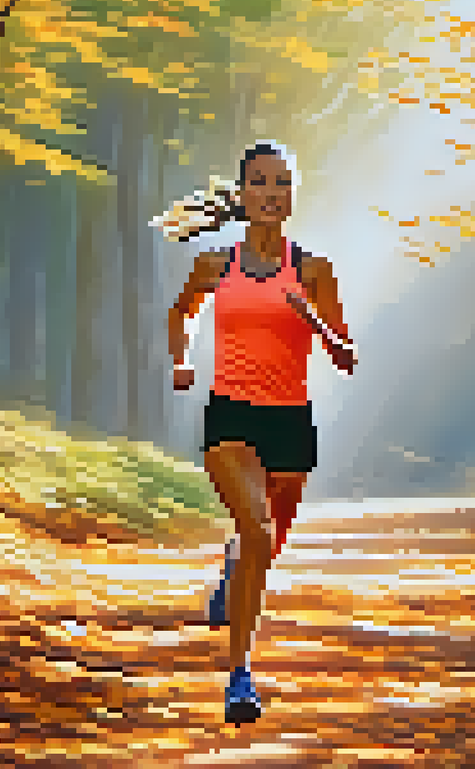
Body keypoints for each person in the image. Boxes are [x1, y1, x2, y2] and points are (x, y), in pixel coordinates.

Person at [164, 140, 356, 724]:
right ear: (243, 194)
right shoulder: (215, 266)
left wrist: (314, 320)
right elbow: (181, 314)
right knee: (257, 526)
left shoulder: (316, 270)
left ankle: (234, 564)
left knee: (262, 546)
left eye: (282, 184)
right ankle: (239, 676)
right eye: (261, 183)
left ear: (293, 197)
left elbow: (346, 356)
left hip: (289, 419)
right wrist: (182, 360)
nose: (271, 194)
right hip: (231, 414)